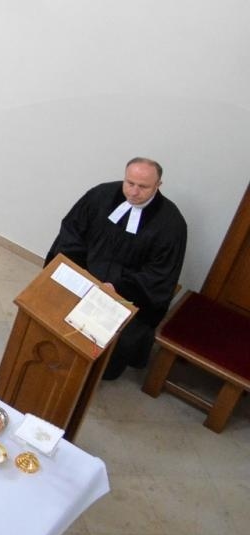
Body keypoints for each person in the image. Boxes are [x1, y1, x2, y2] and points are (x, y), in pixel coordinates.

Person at [47, 158, 188, 380]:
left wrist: (116, 287)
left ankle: (95, 372)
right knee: (52, 305)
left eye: (143, 187)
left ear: (158, 185)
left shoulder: (172, 224)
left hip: (126, 293)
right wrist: (81, 273)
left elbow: (159, 273)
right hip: (84, 276)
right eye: (129, 183)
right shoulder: (100, 195)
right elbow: (72, 233)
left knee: (114, 339)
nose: (133, 192)